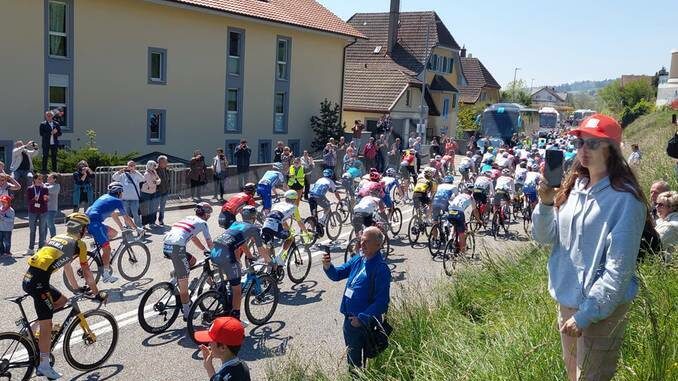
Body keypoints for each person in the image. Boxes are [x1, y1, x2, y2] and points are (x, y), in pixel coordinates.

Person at [532, 114, 647, 381]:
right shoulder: (573, 188)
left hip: (602, 310)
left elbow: (618, 270)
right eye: (581, 142)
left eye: (593, 144)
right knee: (573, 376)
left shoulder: (626, 200)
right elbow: (545, 238)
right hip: (567, 301)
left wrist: (587, 315)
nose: (584, 150)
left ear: (613, 150)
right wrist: (546, 204)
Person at [23, 212, 104, 380]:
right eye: (85, 228)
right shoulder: (79, 244)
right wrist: (96, 293)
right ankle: (43, 365)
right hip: (39, 283)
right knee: (48, 324)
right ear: (81, 229)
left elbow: (67, 267)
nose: (86, 231)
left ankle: (31, 330)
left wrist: (76, 289)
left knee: (62, 301)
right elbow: (87, 272)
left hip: (31, 279)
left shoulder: (58, 237)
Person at [322, 226, 391, 369]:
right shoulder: (359, 259)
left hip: (364, 323)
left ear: (378, 245)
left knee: (364, 362)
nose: (361, 244)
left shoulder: (381, 268)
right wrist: (328, 266)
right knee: (353, 363)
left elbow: (382, 302)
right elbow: (337, 274)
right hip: (350, 321)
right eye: (361, 240)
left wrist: (362, 318)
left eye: (366, 241)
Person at [211, 206, 267, 319]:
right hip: (226, 254)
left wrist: (248, 255)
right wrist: (269, 261)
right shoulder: (253, 228)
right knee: (237, 289)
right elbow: (260, 248)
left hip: (215, 251)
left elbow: (241, 243)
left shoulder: (236, 224)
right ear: (254, 217)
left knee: (229, 280)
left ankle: (224, 302)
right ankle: (235, 316)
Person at [162, 202, 214, 320]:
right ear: (206, 214)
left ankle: (174, 280)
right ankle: (187, 313)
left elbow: (193, 237)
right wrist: (215, 254)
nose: (209, 216)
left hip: (167, 246)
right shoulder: (203, 223)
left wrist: (204, 250)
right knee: (184, 286)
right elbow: (210, 242)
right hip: (177, 248)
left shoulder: (189, 219)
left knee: (192, 261)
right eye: (209, 214)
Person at [86, 182, 139, 283]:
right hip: (95, 224)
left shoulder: (105, 196)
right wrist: (136, 228)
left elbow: (113, 214)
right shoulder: (117, 201)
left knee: (114, 233)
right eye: (122, 192)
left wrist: (121, 227)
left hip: (89, 222)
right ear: (119, 192)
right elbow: (126, 217)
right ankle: (106, 275)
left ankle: (100, 247)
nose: (122, 194)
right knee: (107, 249)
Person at [260, 190, 309, 265]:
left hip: (266, 224)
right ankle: (279, 257)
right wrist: (306, 232)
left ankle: (268, 264)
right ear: (294, 199)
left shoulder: (278, 204)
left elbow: (282, 221)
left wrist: (287, 229)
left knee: (269, 245)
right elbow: (300, 222)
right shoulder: (294, 207)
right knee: (291, 238)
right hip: (275, 226)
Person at [195, 317, 250, 381]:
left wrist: (208, 367)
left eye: (211, 341)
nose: (209, 344)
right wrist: (209, 367)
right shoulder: (243, 366)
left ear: (223, 348)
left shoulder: (222, 377)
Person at [112, 161, 144, 227]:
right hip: (124, 198)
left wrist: (136, 172)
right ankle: (128, 227)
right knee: (126, 215)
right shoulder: (123, 174)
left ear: (135, 166)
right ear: (127, 166)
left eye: (133, 165)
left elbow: (143, 179)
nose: (131, 167)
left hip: (134, 198)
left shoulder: (136, 174)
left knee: (136, 214)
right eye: (130, 165)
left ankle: (139, 228)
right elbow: (114, 177)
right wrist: (119, 172)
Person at [447, 186, 476, 253]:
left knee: (454, 225)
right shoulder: (471, 198)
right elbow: (475, 211)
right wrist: (478, 220)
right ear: (471, 192)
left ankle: (450, 239)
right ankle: (462, 254)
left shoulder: (459, 195)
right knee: (461, 234)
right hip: (459, 213)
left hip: (450, 211)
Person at [26, 174, 49, 254]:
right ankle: (31, 248)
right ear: (34, 180)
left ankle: (41, 248)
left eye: (41, 179)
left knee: (42, 230)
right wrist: (33, 199)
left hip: (43, 211)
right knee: (32, 230)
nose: (40, 180)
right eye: (39, 179)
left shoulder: (45, 189)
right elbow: (28, 201)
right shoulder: (30, 189)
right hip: (32, 211)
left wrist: (46, 199)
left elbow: (45, 201)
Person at [140, 160, 161, 228]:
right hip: (145, 193)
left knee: (153, 208)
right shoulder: (146, 174)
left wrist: (156, 182)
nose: (155, 167)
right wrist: (156, 182)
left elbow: (159, 180)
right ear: (150, 165)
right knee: (145, 209)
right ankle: (143, 224)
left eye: (155, 165)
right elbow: (151, 184)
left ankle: (152, 222)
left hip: (153, 192)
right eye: (154, 165)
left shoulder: (154, 172)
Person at [155, 155, 171, 226]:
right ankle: (152, 221)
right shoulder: (155, 170)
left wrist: (168, 188)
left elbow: (168, 180)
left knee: (162, 207)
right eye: (165, 162)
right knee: (155, 207)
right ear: (160, 162)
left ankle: (161, 220)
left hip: (165, 191)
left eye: (166, 162)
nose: (166, 163)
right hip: (157, 192)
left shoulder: (167, 170)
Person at [45, 173, 60, 238]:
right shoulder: (46, 185)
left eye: (50, 178)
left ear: (54, 179)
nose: (48, 178)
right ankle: (42, 239)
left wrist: (41, 185)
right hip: (44, 209)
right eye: (48, 177)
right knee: (44, 225)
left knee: (50, 224)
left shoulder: (56, 186)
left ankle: (53, 237)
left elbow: (47, 189)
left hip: (51, 209)